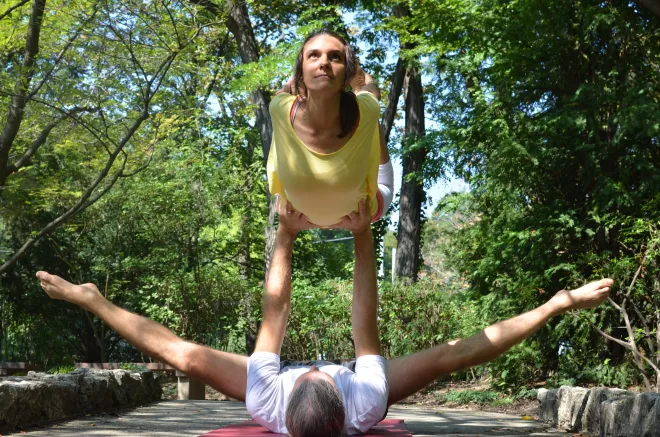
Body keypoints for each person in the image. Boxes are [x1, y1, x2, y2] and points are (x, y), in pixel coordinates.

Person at [37, 202, 614, 436]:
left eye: (313, 370)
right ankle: (557, 300)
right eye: (327, 371)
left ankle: (92, 295)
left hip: (288, 396)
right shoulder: (365, 398)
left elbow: (275, 311)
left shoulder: (267, 396)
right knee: (450, 356)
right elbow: (369, 320)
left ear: (292, 390)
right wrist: (364, 235)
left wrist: (285, 234)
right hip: (345, 399)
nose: (321, 365)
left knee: (181, 354)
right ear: (341, 389)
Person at [267, 29, 394, 227]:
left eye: (335, 57)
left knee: (369, 113)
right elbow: (369, 88)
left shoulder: (366, 110)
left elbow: (285, 89)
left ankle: (361, 120)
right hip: (302, 210)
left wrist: (305, 78)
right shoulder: (281, 109)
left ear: (345, 73)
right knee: (370, 110)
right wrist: (356, 74)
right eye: (314, 56)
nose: (324, 63)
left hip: (364, 207)